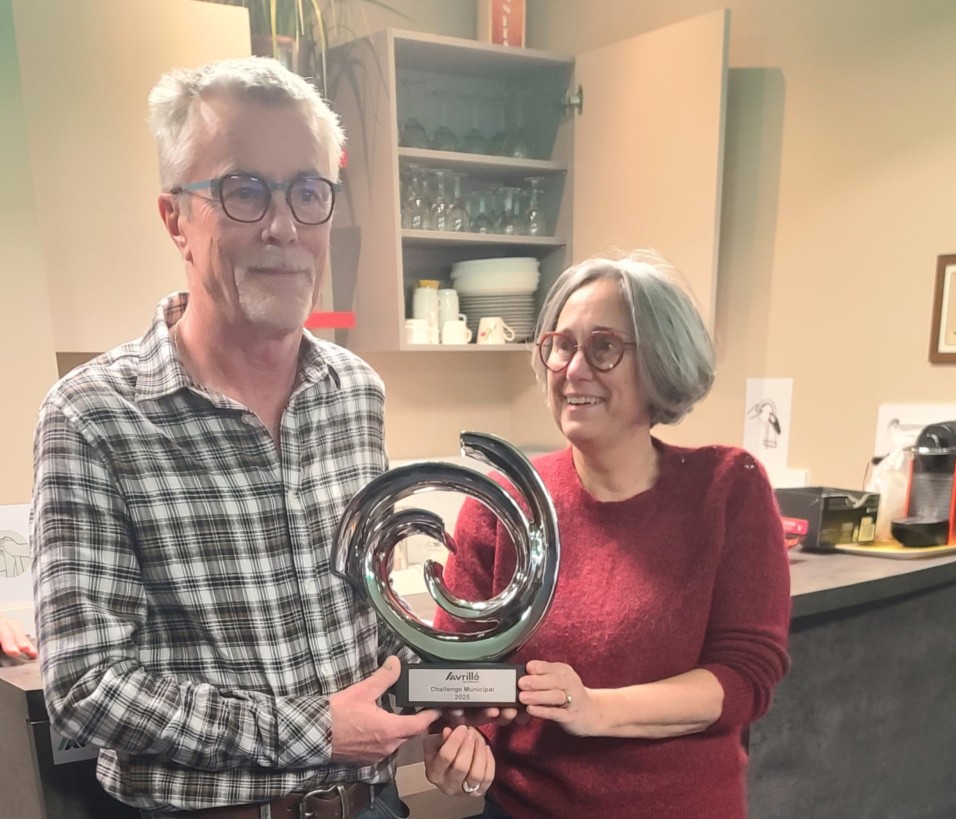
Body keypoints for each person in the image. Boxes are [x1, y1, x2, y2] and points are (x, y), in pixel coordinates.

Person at [30, 56, 491, 818]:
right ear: (175, 219)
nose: (284, 227)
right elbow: (84, 687)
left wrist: (449, 707)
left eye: (308, 192)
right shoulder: (91, 416)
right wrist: (313, 728)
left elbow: (373, 618)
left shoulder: (356, 394)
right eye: (244, 191)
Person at [435, 251, 792, 818]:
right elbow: (453, 675)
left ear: (661, 364)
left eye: (603, 347)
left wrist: (595, 709)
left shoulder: (727, 488)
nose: (574, 369)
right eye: (561, 345)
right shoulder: (501, 504)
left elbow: (744, 679)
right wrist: (459, 739)